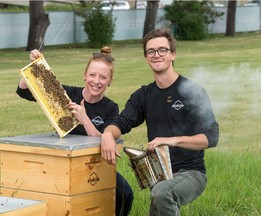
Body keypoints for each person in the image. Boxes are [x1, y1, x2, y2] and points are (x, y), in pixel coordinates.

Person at [101, 28, 219, 215]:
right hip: (158, 173)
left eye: (162, 50)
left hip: (191, 173)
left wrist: (173, 140)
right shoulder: (144, 95)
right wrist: (108, 134)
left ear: (172, 54)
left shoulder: (192, 91)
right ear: (147, 57)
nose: (156, 55)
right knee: (160, 196)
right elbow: (123, 121)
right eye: (151, 51)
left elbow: (212, 137)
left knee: (162, 193)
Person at [16, 47, 133, 216]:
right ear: (84, 75)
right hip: (62, 163)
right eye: (92, 75)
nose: (96, 81)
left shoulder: (110, 107)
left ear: (110, 81)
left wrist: (84, 118)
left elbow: (103, 139)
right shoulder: (68, 94)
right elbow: (24, 91)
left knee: (125, 193)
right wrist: (35, 65)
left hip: (95, 166)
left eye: (103, 77)